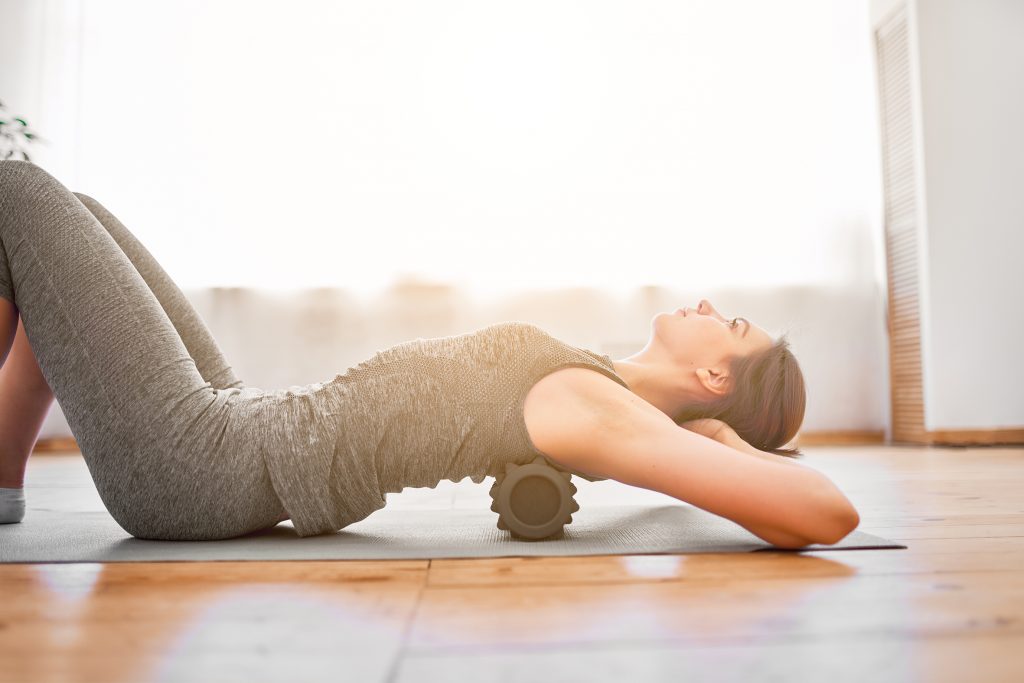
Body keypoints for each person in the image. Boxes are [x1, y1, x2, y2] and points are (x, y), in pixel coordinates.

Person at [0, 160, 859, 548]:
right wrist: (709, 435)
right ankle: (2, 481)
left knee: (18, 193)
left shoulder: (595, 409)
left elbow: (828, 513)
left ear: (713, 379)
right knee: (73, 211)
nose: (711, 306)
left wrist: (723, 443)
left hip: (199, 464)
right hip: (243, 415)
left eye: (732, 326)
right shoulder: (600, 389)